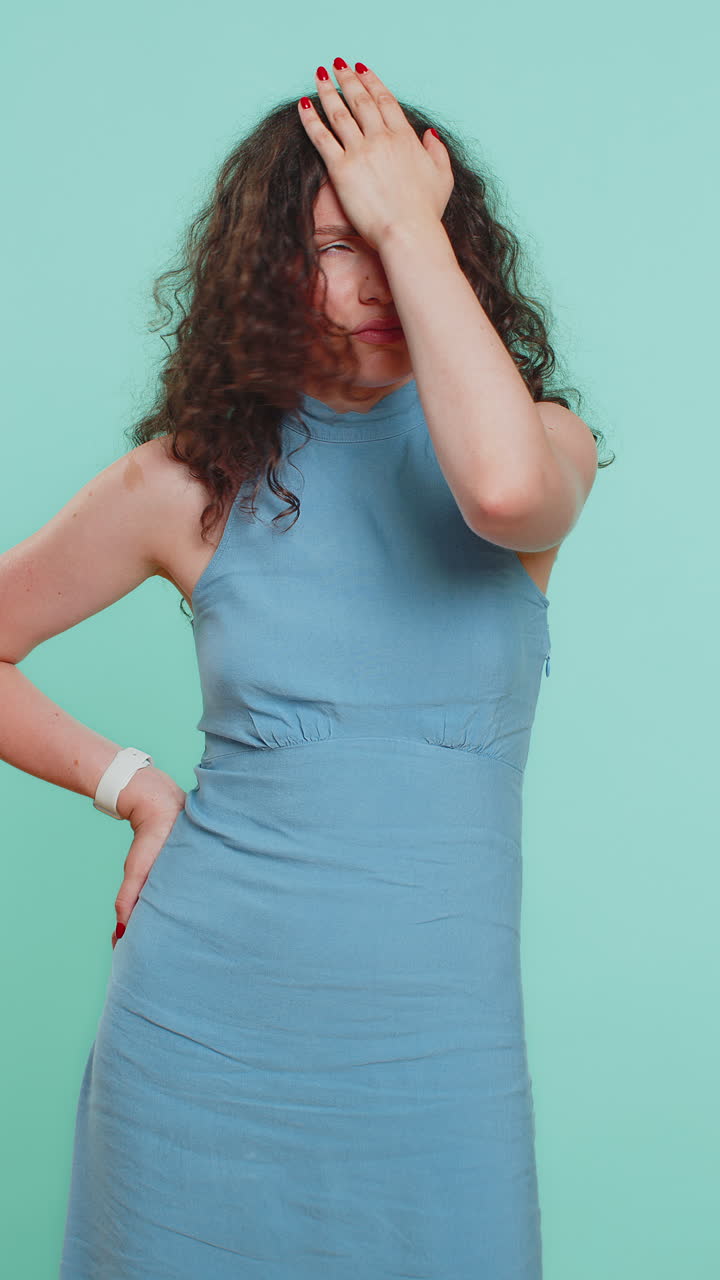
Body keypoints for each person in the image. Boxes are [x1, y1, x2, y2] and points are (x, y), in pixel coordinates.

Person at [0, 58, 610, 1279]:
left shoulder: (544, 445)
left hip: (440, 1069)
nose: (376, 276)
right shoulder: (190, 477)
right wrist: (134, 786)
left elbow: (500, 491)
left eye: (404, 232)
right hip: (198, 1044)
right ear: (267, 264)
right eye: (337, 244)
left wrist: (403, 218)